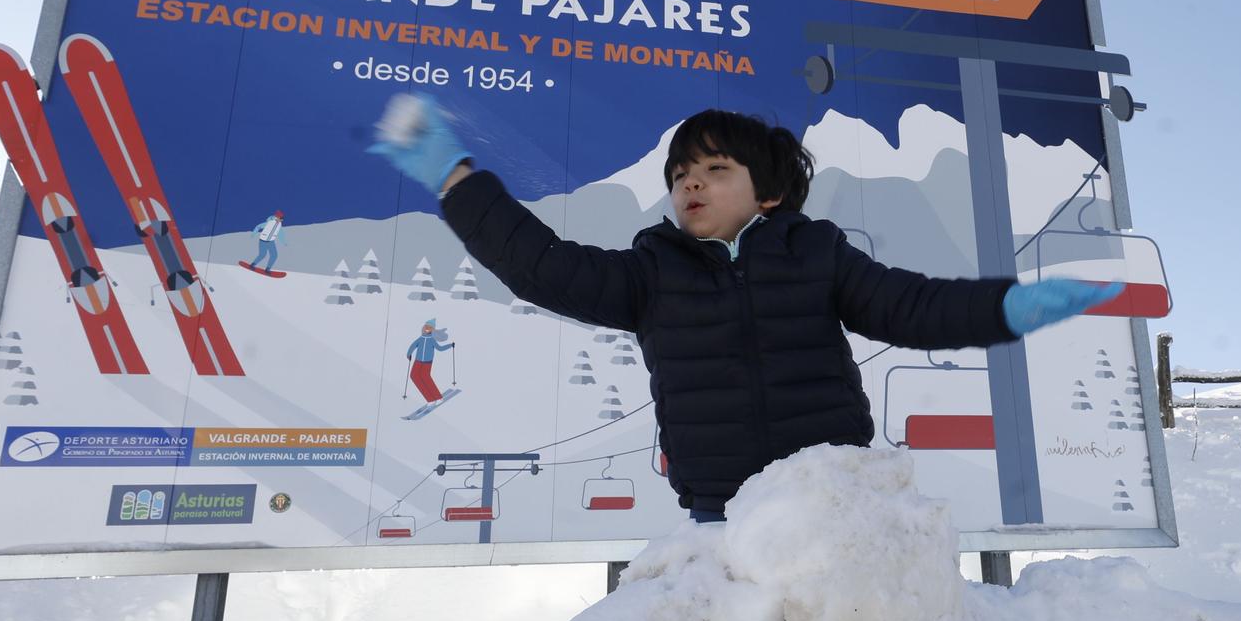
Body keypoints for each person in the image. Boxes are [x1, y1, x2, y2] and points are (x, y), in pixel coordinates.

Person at [369, 97, 1119, 522]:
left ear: (768, 194)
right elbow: (541, 267)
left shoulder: (817, 254)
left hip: (836, 501)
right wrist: (458, 181)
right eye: (680, 172)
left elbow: (911, 306)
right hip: (724, 515)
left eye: (714, 169)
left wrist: (1006, 306)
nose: (690, 182)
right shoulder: (650, 274)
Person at [404, 318, 454, 404]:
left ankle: (437, 397)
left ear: (432, 330)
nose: (427, 328)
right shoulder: (420, 339)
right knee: (414, 376)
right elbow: (413, 346)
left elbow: (440, 348)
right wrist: (409, 354)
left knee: (425, 378)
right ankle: (430, 399)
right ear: (423, 327)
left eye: (430, 327)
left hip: (427, 362)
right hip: (418, 361)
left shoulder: (432, 340)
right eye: (426, 326)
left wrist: (450, 345)